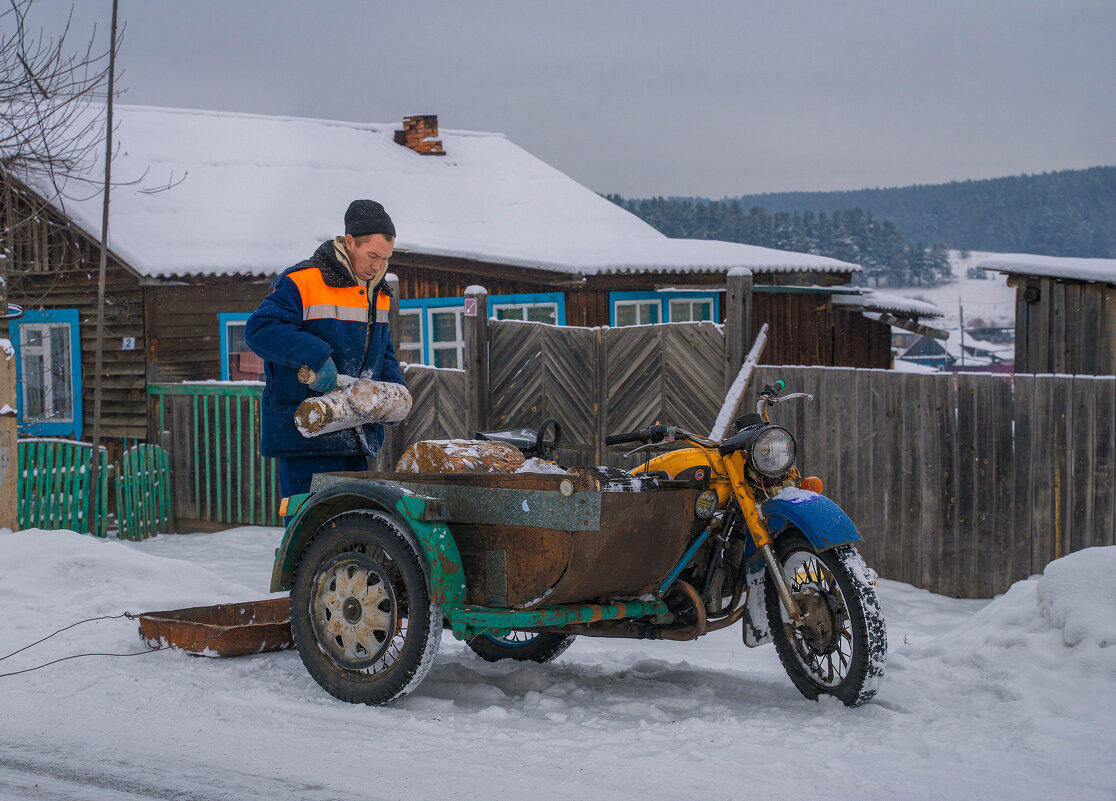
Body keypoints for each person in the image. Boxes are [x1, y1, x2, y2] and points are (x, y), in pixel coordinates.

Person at [244, 199, 405, 498]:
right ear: (349, 241)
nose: (378, 265)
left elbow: (383, 352)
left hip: (357, 435)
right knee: (312, 535)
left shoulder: (378, 295)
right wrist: (317, 357)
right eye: (372, 255)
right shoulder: (303, 281)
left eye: (385, 258)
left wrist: (395, 393)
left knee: (350, 531)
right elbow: (260, 330)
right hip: (307, 432)